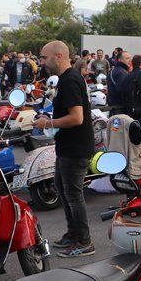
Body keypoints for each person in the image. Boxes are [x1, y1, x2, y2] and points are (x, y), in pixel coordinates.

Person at [34, 41, 95, 258]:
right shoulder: (66, 80)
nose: (42, 62)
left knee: (73, 194)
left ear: (59, 56)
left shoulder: (70, 80)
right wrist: (49, 119)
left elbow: (77, 118)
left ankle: (85, 241)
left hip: (76, 147)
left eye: (44, 57)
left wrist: (48, 124)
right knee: (63, 188)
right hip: (68, 145)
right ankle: (73, 234)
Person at [107, 51, 131, 115]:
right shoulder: (122, 73)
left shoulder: (113, 71)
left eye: (130, 58)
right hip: (120, 109)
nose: (129, 60)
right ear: (119, 59)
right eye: (127, 58)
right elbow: (123, 91)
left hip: (114, 108)